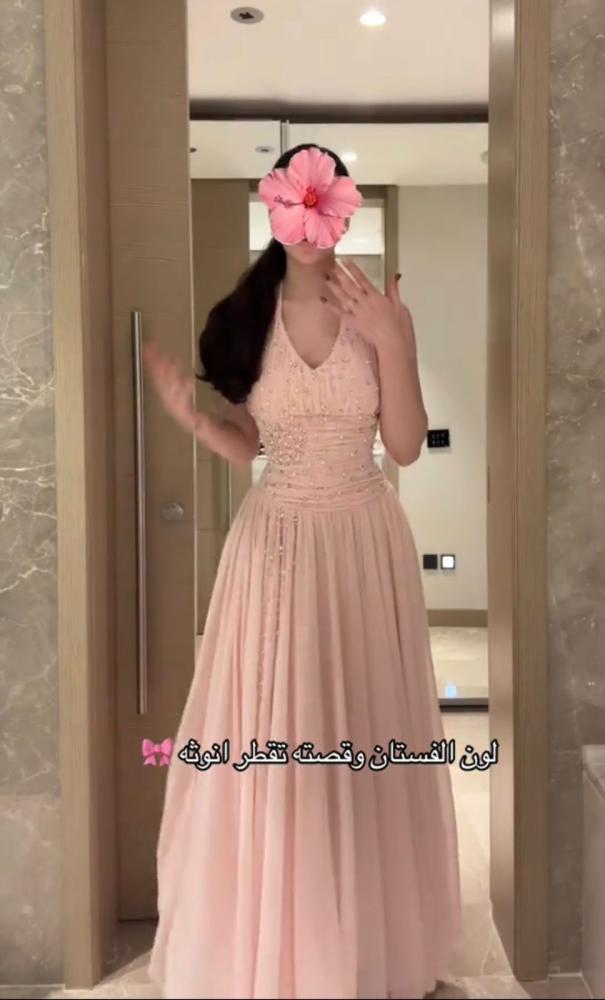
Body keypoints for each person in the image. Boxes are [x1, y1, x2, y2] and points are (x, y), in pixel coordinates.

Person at [143, 143, 461, 1000]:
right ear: (275, 209)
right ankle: (274, 945)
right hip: (276, 543)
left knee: (364, 724)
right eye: (298, 202)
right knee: (277, 738)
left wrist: (391, 342)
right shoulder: (243, 319)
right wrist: (191, 421)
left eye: (327, 203)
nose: (312, 221)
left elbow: (403, 447)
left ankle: (362, 945)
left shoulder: (378, 310)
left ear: (341, 211)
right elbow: (247, 443)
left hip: (364, 536)